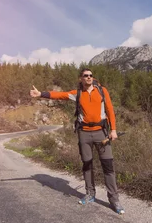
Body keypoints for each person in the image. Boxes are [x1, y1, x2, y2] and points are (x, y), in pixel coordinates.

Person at [30, 68, 125, 214]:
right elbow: (59, 95)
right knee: (87, 165)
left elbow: (110, 109)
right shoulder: (77, 94)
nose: (89, 77)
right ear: (81, 78)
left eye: (91, 75)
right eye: (86, 76)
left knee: (108, 165)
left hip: (102, 133)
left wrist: (113, 130)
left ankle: (114, 199)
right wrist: (41, 94)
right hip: (84, 133)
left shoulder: (101, 91)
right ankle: (90, 194)